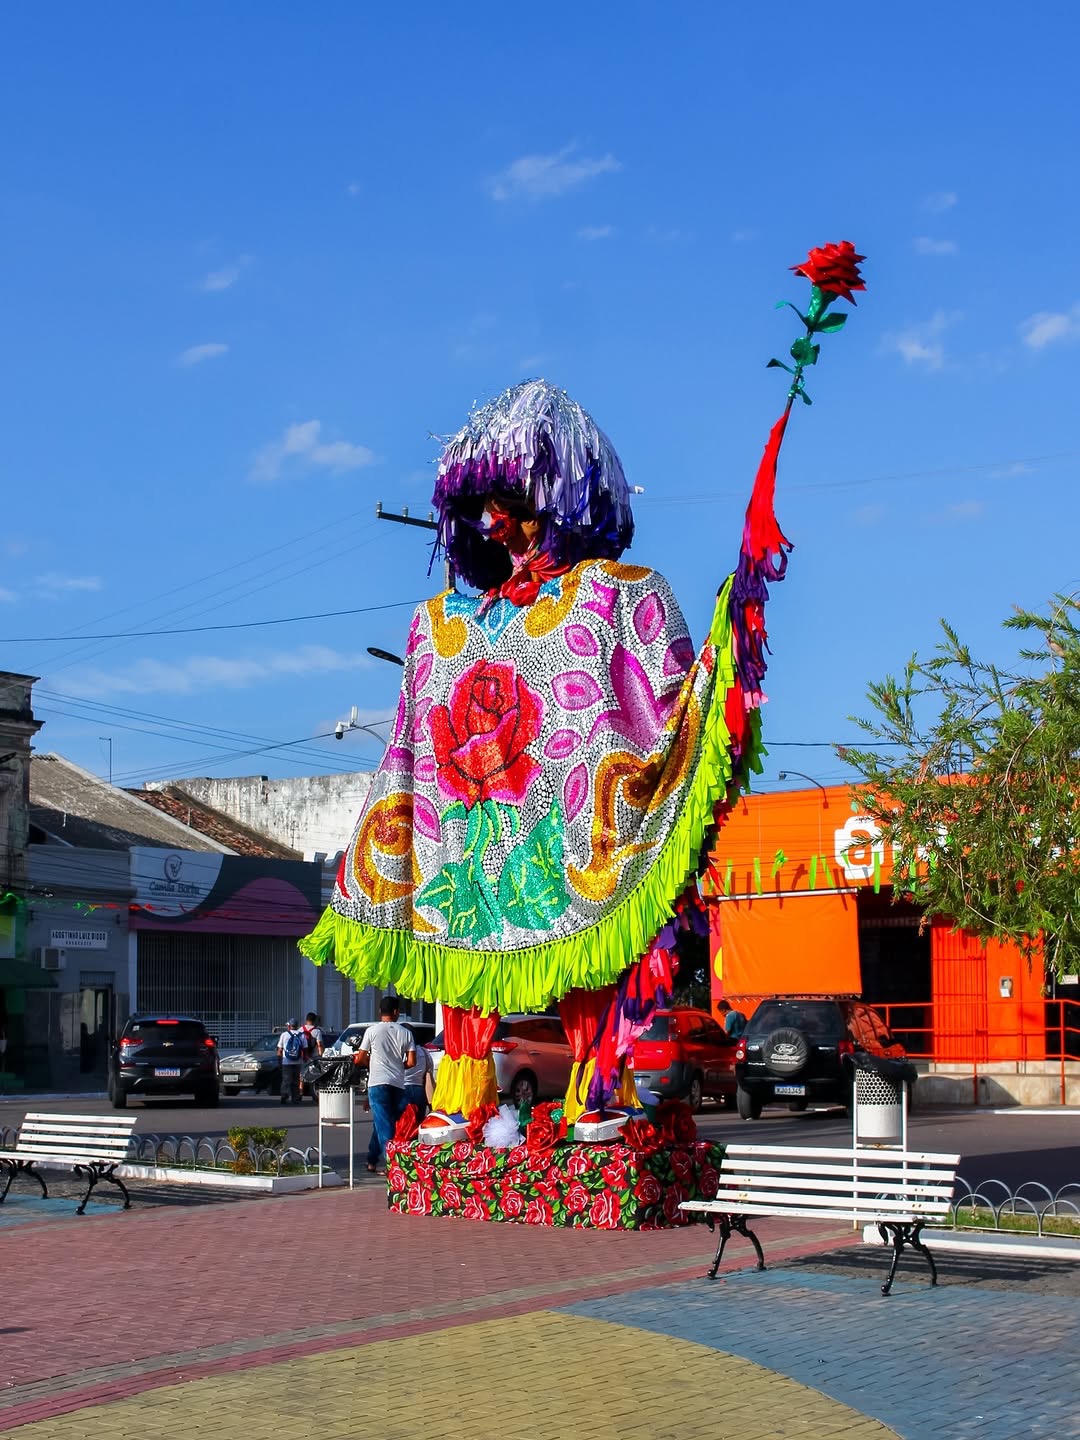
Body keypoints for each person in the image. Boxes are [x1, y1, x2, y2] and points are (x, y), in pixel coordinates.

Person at [352, 996, 415, 1173]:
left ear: (380, 1012)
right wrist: (397, 1065)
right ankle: (372, 1159)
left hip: (378, 1083)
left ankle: (393, 1165)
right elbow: (411, 1062)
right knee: (382, 1122)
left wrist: (369, 1062)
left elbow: (361, 1058)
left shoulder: (372, 1031)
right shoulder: (406, 1033)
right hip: (398, 1084)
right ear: (396, 1012)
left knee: (384, 1124)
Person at [402, 1035, 434, 1121]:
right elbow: (429, 1069)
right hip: (419, 1089)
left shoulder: (400, 1051)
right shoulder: (424, 1051)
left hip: (401, 1089)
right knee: (418, 1121)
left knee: (401, 1124)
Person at [277, 1018, 306, 1104]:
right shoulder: (302, 1035)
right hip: (298, 1061)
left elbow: (279, 1049)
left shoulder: (284, 1035)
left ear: (289, 1026)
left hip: (286, 1062)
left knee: (286, 1079)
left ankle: (284, 1095)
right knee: (296, 1080)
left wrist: (279, 1061)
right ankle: (295, 1097)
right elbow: (305, 1048)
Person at [299, 1012, 325, 1101]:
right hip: (314, 1056)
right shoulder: (317, 1031)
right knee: (315, 1074)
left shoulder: (300, 1030)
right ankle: (314, 1092)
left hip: (302, 1057)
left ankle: (300, 1092)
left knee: (301, 1075)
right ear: (314, 1020)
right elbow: (320, 1045)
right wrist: (321, 1055)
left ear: (306, 1020)